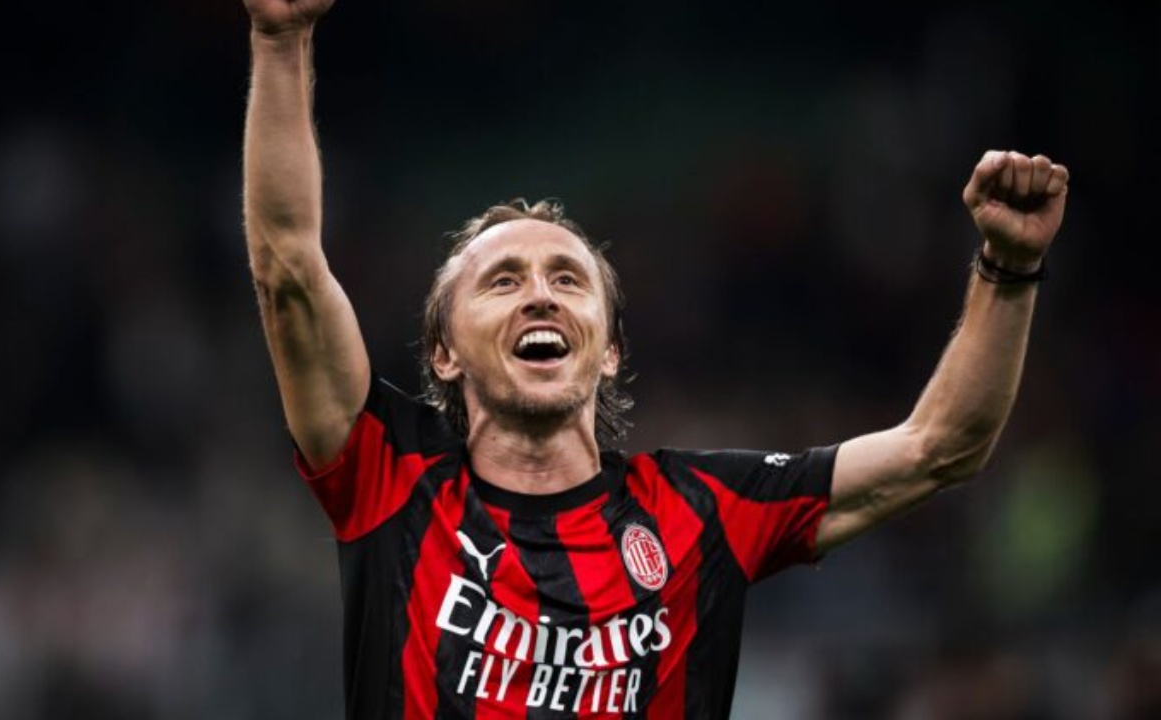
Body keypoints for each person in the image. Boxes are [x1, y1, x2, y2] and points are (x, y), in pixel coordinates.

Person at [237, 1, 1071, 717]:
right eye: (503, 280)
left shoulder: (701, 511)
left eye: (568, 279)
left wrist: (1009, 267)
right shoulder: (391, 478)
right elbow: (288, 271)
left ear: (609, 352)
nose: (541, 296)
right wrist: (280, 40)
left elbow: (942, 445)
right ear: (444, 353)